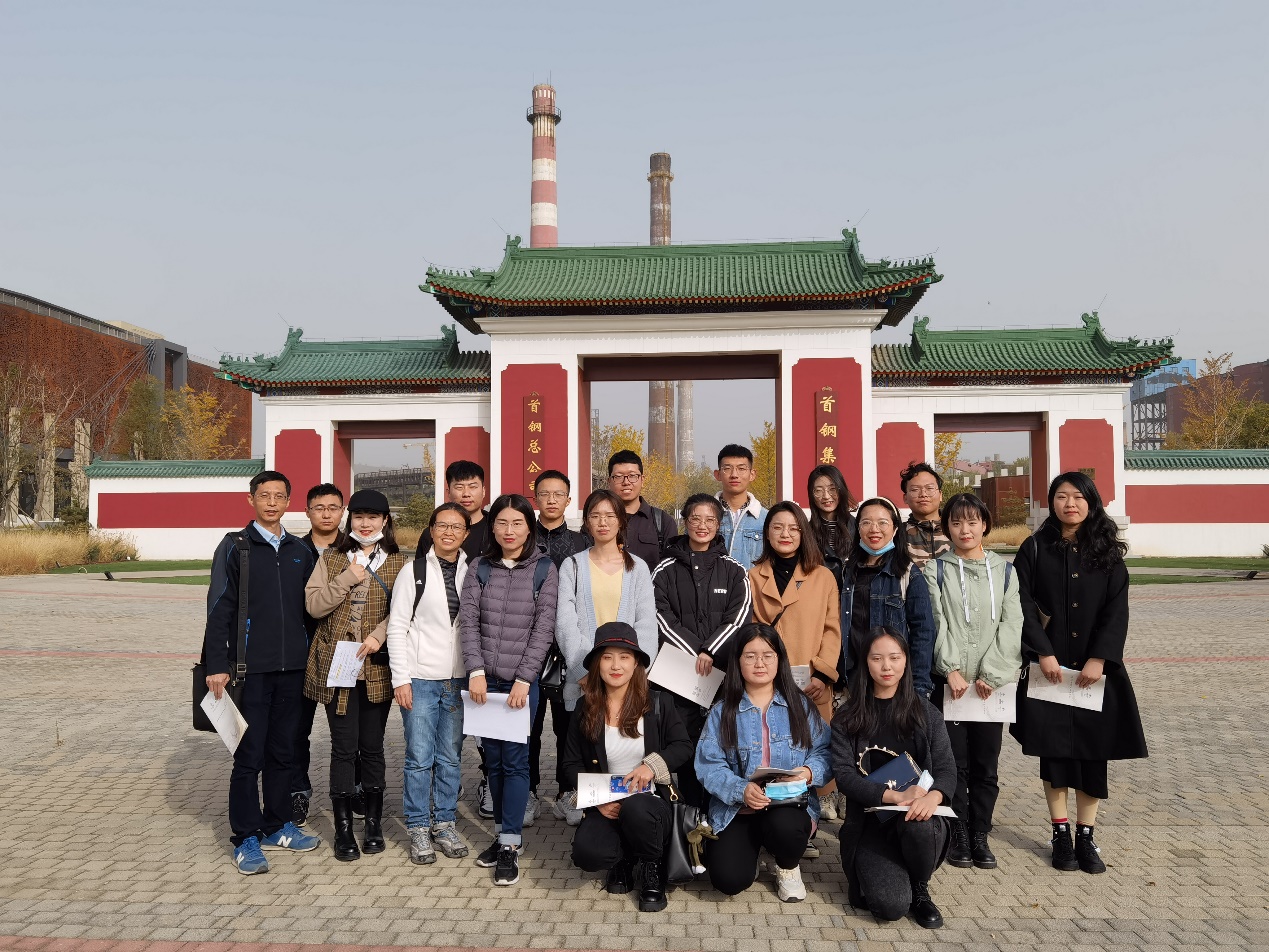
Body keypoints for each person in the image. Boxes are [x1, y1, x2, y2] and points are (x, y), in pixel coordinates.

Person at [1011, 472, 1147, 874]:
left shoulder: (1107, 553)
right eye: (1061, 496)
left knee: (1093, 753)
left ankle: (1086, 837)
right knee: (1054, 754)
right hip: (1049, 670)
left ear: (1091, 502)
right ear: (1051, 502)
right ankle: (1060, 834)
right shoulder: (1035, 548)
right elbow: (1020, 602)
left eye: (1077, 497)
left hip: (1094, 672)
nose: (1069, 504)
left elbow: (1116, 611)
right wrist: (1043, 652)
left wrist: (1100, 658)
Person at [203, 470, 320, 875]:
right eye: (264, 495)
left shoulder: (299, 550)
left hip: (293, 670)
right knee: (248, 756)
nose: (272, 502)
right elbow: (219, 607)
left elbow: (313, 609)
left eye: (279, 496)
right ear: (251, 499)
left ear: (289, 501)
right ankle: (246, 837)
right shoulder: (235, 546)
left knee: (283, 753)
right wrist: (216, 665)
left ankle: (278, 824)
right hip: (249, 670)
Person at [460, 494, 559, 886]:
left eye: (518, 523)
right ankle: (502, 833)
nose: (509, 530)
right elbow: (469, 621)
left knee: (516, 762)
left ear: (529, 528)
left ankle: (510, 844)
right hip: (485, 683)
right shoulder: (480, 567)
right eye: (502, 522)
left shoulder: (544, 569)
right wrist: (475, 671)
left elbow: (544, 628)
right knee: (494, 762)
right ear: (493, 527)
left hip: (521, 684)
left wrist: (524, 678)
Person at [304, 489, 408, 862]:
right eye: (359, 517)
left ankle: (374, 824)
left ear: (385, 521)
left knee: (373, 747)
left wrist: (379, 634)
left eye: (373, 517)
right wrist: (347, 577)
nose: (365, 524)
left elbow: (404, 611)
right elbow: (314, 606)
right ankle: (344, 828)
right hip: (337, 667)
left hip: (376, 667)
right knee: (343, 748)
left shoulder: (400, 563)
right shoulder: (332, 559)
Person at [561, 622, 693, 912]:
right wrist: (597, 801)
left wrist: (651, 766)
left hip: (651, 803)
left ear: (636, 664)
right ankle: (623, 858)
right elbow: (569, 764)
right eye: (607, 657)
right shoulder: (584, 707)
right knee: (587, 854)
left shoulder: (659, 703)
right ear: (597, 664)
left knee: (636, 808)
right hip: (607, 801)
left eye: (624, 657)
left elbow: (683, 746)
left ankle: (651, 865)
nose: (616, 665)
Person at [695, 624, 831, 903]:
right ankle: (753, 850)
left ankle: (787, 866)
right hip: (738, 809)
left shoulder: (800, 706)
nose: (760, 663)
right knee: (728, 880)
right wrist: (740, 789)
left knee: (786, 830)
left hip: (788, 805)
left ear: (779, 659)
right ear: (738, 661)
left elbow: (826, 751)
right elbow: (708, 765)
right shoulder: (723, 711)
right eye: (750, 656)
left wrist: (808, 772)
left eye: (768, 655)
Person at [831, 626, 956, 929]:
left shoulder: (927, 714)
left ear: (905, 661)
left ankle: (920, 885)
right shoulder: (847, 717)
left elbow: (946, 768)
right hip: (871, 826)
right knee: (890, 906)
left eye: (894, 657)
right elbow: (844, 776)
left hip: (916, 820)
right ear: (865, 663)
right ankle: (886, 875)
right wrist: (895, 796)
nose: (886, 666)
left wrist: (933, 796)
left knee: (921, 827)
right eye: (877, 659)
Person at [924, 493, 1022, 871]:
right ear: (947, 527)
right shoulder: (935, 570)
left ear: (984, 525)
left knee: (986, 764)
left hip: (990, 690)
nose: (964, 529)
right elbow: (935, 622)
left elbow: (1012, 626)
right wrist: (950, 669)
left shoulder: (1006, 572)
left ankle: (980, 832)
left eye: (972, 521)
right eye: (956, 522)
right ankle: (958, 831)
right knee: (954, 763)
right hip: (951, 685)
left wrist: (992, 674)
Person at [553, 488, 659, 824]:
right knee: (582, 735)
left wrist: (633, 671)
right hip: (586, 674)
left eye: (610, 516)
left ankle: (626, 796)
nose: (602, 522)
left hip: (625, 674)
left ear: (621, 521)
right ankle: (582, 797)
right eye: (595, 515)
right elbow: (565, 620)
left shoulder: (637, 568)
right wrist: (585, 668)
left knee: (622, 737)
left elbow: (647, 623)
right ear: (586, 521)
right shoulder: (573, 565)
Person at [651, 493, 752, 807]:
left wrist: (710, 651)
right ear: (685, 521)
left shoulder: (734, 571)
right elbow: (659, 615)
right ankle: (688, 812)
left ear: (719, 524)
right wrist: (696, 652)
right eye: (695, 518)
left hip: (722, 675)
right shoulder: (664, 569)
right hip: (679, 677)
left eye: (710, 519)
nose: (702, 525)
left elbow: (738, 618)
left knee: (723, 742)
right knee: (683, 743)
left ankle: (721, 810)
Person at [386, 502, 472, 866]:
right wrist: (400, 678)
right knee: (419, 757)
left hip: (458, 679)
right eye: (442, 525)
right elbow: (396, 626)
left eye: (457, 526)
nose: (449, 532)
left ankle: (445, 823)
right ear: (432, 530)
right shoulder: (414, 571)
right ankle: (419, 826)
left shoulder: (475, 571)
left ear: (466, 533)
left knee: (450, 756)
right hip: (420, 679)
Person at [748, 501, 842, 832]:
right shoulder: (753, 576)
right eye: (777, 527)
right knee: (775, 752)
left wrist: (823, 673)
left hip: (812, 682)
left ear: (804, 533)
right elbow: (751, 630)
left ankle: (810, 826)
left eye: (793, 528)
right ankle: (776, 823)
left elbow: (832, 629)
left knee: (812, 752)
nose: (785, 534)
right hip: (769, 682)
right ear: (767, 533)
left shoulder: (822, 576)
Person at [529, 469, 590, 823]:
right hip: (529, 648)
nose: (551, 500)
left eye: (558, 494)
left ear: (568, 500)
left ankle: (569, 791)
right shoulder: (523, 538)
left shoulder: (582, 543)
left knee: (569, 725)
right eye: (545, 493)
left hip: (571, 648)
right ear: (535, 497)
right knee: (529, 725)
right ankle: (528, 790)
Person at [838, 497, 936, 700]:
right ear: (858, 528)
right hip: (854, 681)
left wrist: (919, 687)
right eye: (866, 522)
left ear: (895, 529)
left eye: (882, 522)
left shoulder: (908, 574)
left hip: (893, 682)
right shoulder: (846, 572)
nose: (874, 529)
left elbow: (923, 632)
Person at [293, 482, 346, 827]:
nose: (326, 514)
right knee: (296, 730)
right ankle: (297, 791)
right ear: (307, 511)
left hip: (345, 654)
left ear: (342, 511)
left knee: (347, 732)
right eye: (319, 507)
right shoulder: (293, 550)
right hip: (300, 652)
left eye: (333, 507)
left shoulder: (356, 549)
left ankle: (353, 788)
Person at [607, 450, 676, 570]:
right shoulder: (598, 521)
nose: (626, 482)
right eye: (618, 477)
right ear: (609, 482)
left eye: (632, 476)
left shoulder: (663, 522)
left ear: (642, 480)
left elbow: (672, 570)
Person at [418, 460, 491, 562]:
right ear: (448, 492)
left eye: (472, 487)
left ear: (483, 491)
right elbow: (420, 569)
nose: (466, 494)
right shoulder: (433, 533)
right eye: (459, 487)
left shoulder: (495, 530)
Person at [714, 443, 767, 570]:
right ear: (718, 474)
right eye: (727, 468)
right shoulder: (704, 517)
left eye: (741, 468)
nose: (734, 474)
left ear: (752, 474)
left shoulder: (766, 519)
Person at [900, 462, 949, 569]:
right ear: (905, 498)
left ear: (940, 495)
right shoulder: (898, 535)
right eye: (915, 490)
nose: (923, 494)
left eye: (929, 488)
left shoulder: (955, 530)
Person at [807, 464, 858, 560]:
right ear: (811, 495)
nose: (826, 496)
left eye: (832, 489)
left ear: (841, 490)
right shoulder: (806, 532)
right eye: (818, 490)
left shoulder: (858, 528)